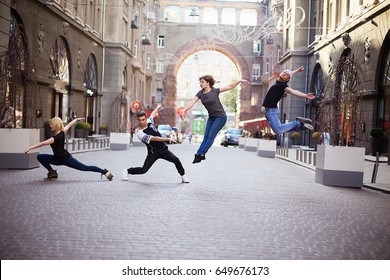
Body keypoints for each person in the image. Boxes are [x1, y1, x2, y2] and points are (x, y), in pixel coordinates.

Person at [182, 75, 250, 163]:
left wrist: (239, 81)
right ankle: (200, 154)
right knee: (206, 137)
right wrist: (184, 110)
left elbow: (229, 87)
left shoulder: (215, 91)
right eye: (200, 82)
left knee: (211, 136)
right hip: (211, 117)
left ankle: (200, 154)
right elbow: (192, 103)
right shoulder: (200, 93)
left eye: (202, 82)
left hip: (221, 117)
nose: (200, 84)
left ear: (208, 83)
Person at [24, 117, 113, 181]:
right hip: (57, 159)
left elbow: (42, 143)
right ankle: (52, 172)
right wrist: (77, 119)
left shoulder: (55, 138)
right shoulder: (63, 132)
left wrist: (29, 148)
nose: (50, 125)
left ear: (56, 125)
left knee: (84, 167)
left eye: (51, 124)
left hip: (66, 159)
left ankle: (104, 171)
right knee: (40, 157)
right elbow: (70, 124)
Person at [122, 104, 189, 183]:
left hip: (163, 150)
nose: (141, 122)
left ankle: (183, 176)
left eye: (143, 119)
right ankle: (127, 171)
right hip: (153, 153)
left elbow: (153, 113)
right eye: (139, 120)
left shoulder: (149, 122)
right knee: (143, 170)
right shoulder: (139, 132)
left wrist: (157, 107)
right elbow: (154, 138)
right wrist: (167, 138)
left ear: (146, 119)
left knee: (176, 160)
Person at [261, 66, 315, 135]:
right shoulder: (279, 81)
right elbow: (290, 73)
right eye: (284, 72)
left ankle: (298, 123)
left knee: (278, 130)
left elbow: (293, 91)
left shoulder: (283, 86)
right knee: (278, 130)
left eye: (286, 75)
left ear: (287, 79)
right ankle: (300, 126)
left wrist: (305, 95)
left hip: (272, 111)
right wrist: (297, 70)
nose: (285, 74)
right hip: (269, 111)